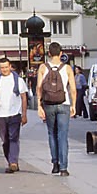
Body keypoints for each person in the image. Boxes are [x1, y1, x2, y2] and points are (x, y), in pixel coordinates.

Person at [37, 42, 76, 176]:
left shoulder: (43, 67)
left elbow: (39, 87)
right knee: (62, 136)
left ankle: (55, 164)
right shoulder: (67, 68)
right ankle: (64, 168)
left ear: (48, 53)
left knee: (51, 134)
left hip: (48, 104)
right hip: (63, 103)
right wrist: (73, 105)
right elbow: (73, 89)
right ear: (61, 53)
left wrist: (38, 105)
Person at [0, 57, 29, 173]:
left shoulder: (18, 80)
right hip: (0, 114)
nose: (4, 69)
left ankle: (13, 162)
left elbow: (23, 97)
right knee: (5, 140)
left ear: (10, 66)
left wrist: (24, 114)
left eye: (6, 67)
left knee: (14, 138)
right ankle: (10, 160)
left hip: (15, 113)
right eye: (2, 68)